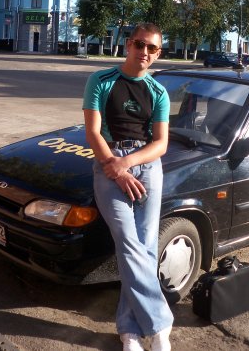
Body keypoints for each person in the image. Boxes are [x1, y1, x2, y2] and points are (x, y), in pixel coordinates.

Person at [82, 23, 173, 351]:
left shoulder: (158, 92)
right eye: (139, 44)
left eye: (152, 48)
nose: (144, 52)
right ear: (128, 45)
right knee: (127, 240)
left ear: (158, 53)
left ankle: (130, 331)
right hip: (109, 162)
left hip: (147, 165)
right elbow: (93, 132)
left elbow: (161, 143)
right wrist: (116, 167)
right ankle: (160, 325)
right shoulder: (101, 80)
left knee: (145, 248)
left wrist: (129, 164)